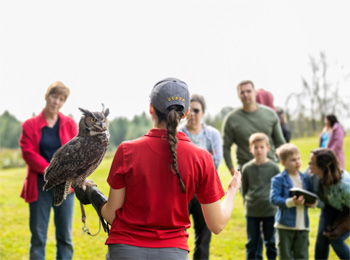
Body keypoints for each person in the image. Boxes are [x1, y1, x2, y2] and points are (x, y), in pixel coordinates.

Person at [74, 77, 242, 260]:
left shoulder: (126, 150)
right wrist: (232, 190)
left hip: (125, 250)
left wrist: (92, 194)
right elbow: (217, 225)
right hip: (172, 253)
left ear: (151, 109)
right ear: (185, 114)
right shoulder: (202, 158)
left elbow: (111, 214)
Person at [222, 80, 286, 259]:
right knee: (253, 221)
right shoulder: (232, 119)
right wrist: (232, 169)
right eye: (241, 92)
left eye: (248, 91)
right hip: (247, 174)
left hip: (270, 171)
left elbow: (280, 142)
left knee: (270, 219)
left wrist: (284, 167)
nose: (245, 95)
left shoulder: (270, 115)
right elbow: (225, 146)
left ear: (255, 92)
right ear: (238, 95)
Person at [19, 81, 78, 260]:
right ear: (46, 96)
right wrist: (52, 172)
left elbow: (76, 151)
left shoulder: (70, 124)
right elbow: (28, 153)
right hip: (39, 186)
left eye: (61, 99)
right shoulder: (29, 125)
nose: (56, 102)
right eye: (54, 96)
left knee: (65, 238)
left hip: (66, 188)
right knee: (38, 238)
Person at [179, 94, 223, 260]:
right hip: (182, 191)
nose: (192, 114)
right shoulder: (177, 132)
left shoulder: (213, 134)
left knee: (204, 235)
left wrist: (189, 161)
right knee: (179, 233)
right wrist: (204, 158)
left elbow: (217, 162)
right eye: (189, 110)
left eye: (196, 110)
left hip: (205, 192)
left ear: (203, 112)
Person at [270, 143, 315, 260]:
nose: (297, 162)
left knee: (302, 256)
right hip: (284, 226)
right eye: (293, 160)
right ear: (283, 163)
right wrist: (291, 202)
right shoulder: (278, 179)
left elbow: (313, 197)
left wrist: (312, 203)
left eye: (299, 159)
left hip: (303, 226)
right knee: (285, 257)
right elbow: (274, 198)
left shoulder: (306, 179)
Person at [241, 133, 279, 260]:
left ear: (268, 148)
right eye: (255, 147)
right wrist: (246, 203)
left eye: (262, 147)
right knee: (252, 243)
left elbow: (278, 188)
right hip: (252, 210)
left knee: (271, 242)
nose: (259, 150)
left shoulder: (274, 168)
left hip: (270, 210)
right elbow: (244, 189)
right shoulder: (246, 168)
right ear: (250, 149)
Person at [308, 148, 350, 260]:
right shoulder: (314, 175)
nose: (308, 165)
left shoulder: (345, 186)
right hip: (330, 206)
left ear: (323, 167)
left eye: (312, 163)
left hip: (347, 211)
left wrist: (340, 228)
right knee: (322, 237)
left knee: (335, 239)